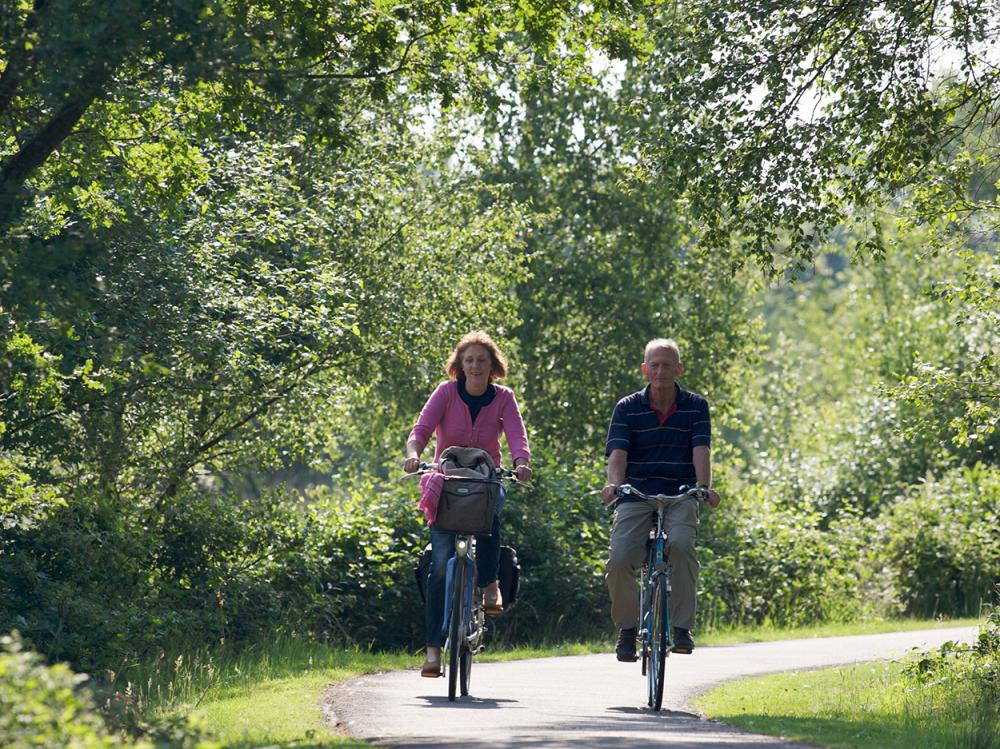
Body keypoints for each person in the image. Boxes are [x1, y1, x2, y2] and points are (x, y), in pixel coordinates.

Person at [404, 331, 532, 677]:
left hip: (486, 480)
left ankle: (489, 583)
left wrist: (521, 463)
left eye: (482, 360)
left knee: (490, 511)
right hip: (445, 483)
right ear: (460, 365)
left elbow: (517, 436)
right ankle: (433, 651)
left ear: (493, 366)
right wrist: (414, 455)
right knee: (439, 567)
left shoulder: (504, 398)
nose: (475, 366)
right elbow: (421, 430)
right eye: (469, 360)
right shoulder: (446, 393)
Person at [600, 338, 721, 661]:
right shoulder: (627, 407)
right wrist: (615, 486)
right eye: (654, 365)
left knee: (681, 546)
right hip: (636, 493)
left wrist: (704, 487)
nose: (660, 371)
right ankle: (627, 630)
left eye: (667, 365)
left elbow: (701, 450)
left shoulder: (696, 406)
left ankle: (681, 628)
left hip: (680, 493)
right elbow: (618, 453)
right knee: (619, 558)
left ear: (678, 369)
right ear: (645, 369)